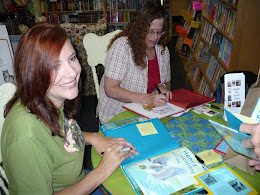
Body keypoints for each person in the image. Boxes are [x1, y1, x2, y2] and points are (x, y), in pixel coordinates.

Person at [1, 23, 138, 195]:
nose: (72, 72)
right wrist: (102, 170)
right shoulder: (26, 137)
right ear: (33, 73)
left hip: (80, 181)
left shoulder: (50, 98)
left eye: (72, 58)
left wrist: (93, 138)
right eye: (54, 66)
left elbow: (58, 137)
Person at [97, 0, 172, 123]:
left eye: (159, 32)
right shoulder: (122, 46)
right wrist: (147, 98)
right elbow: (110, 89)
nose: (154, 37)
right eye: (150, 31)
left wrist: (162, 87)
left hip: (151, 111)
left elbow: (167, 83)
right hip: (119, 114)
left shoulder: (162, 51)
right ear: (139, 28)